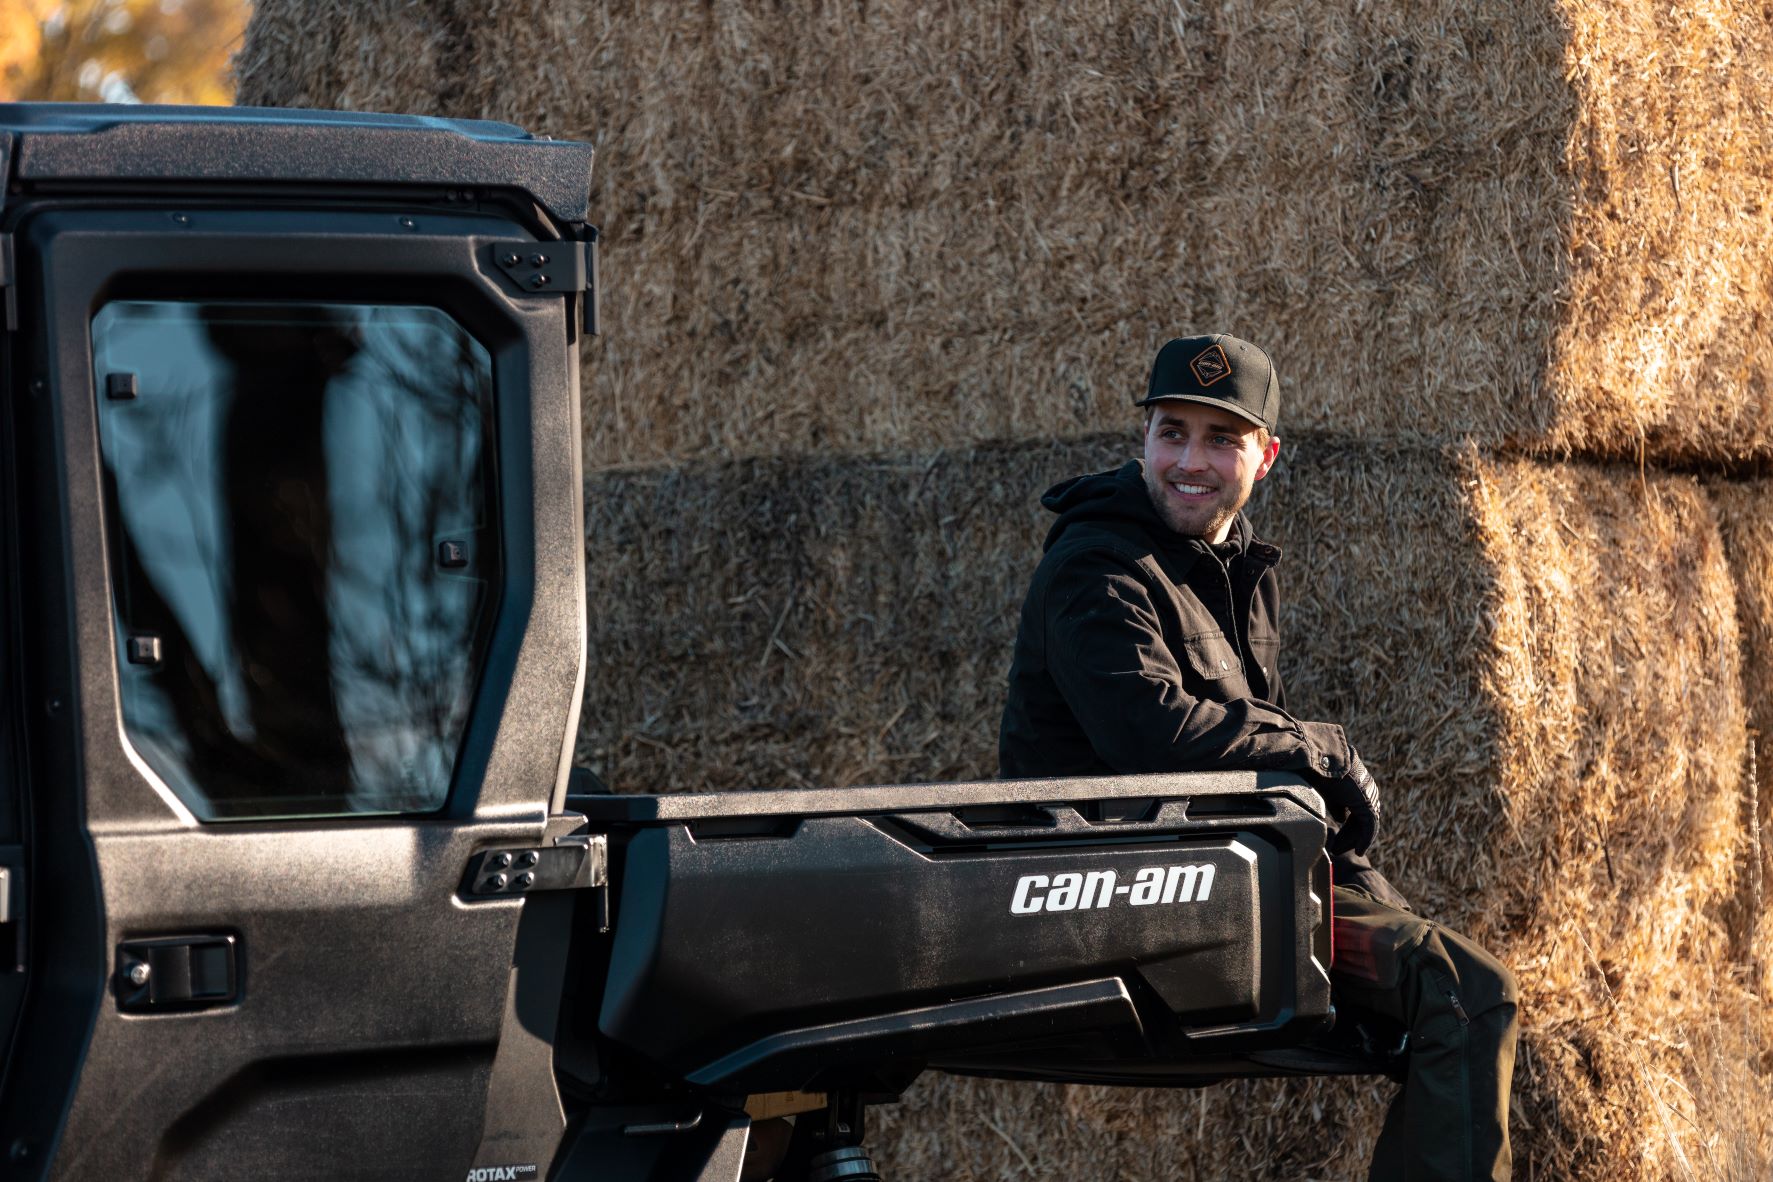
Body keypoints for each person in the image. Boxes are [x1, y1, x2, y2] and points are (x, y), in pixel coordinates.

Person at [998, 333, 1518, 1181]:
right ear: (1144, 440)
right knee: (1461, 989)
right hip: (1128, 883)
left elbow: (1244, 759)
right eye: (1172, 432)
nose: (1188, 461)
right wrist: (1323, 750)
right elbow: (1158, 741)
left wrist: (1350, 859)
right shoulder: (1095, 568)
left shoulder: (1227, 569)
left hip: (1227, 871)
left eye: (1220, 439)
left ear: (1265, 457)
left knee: (1456, 981)